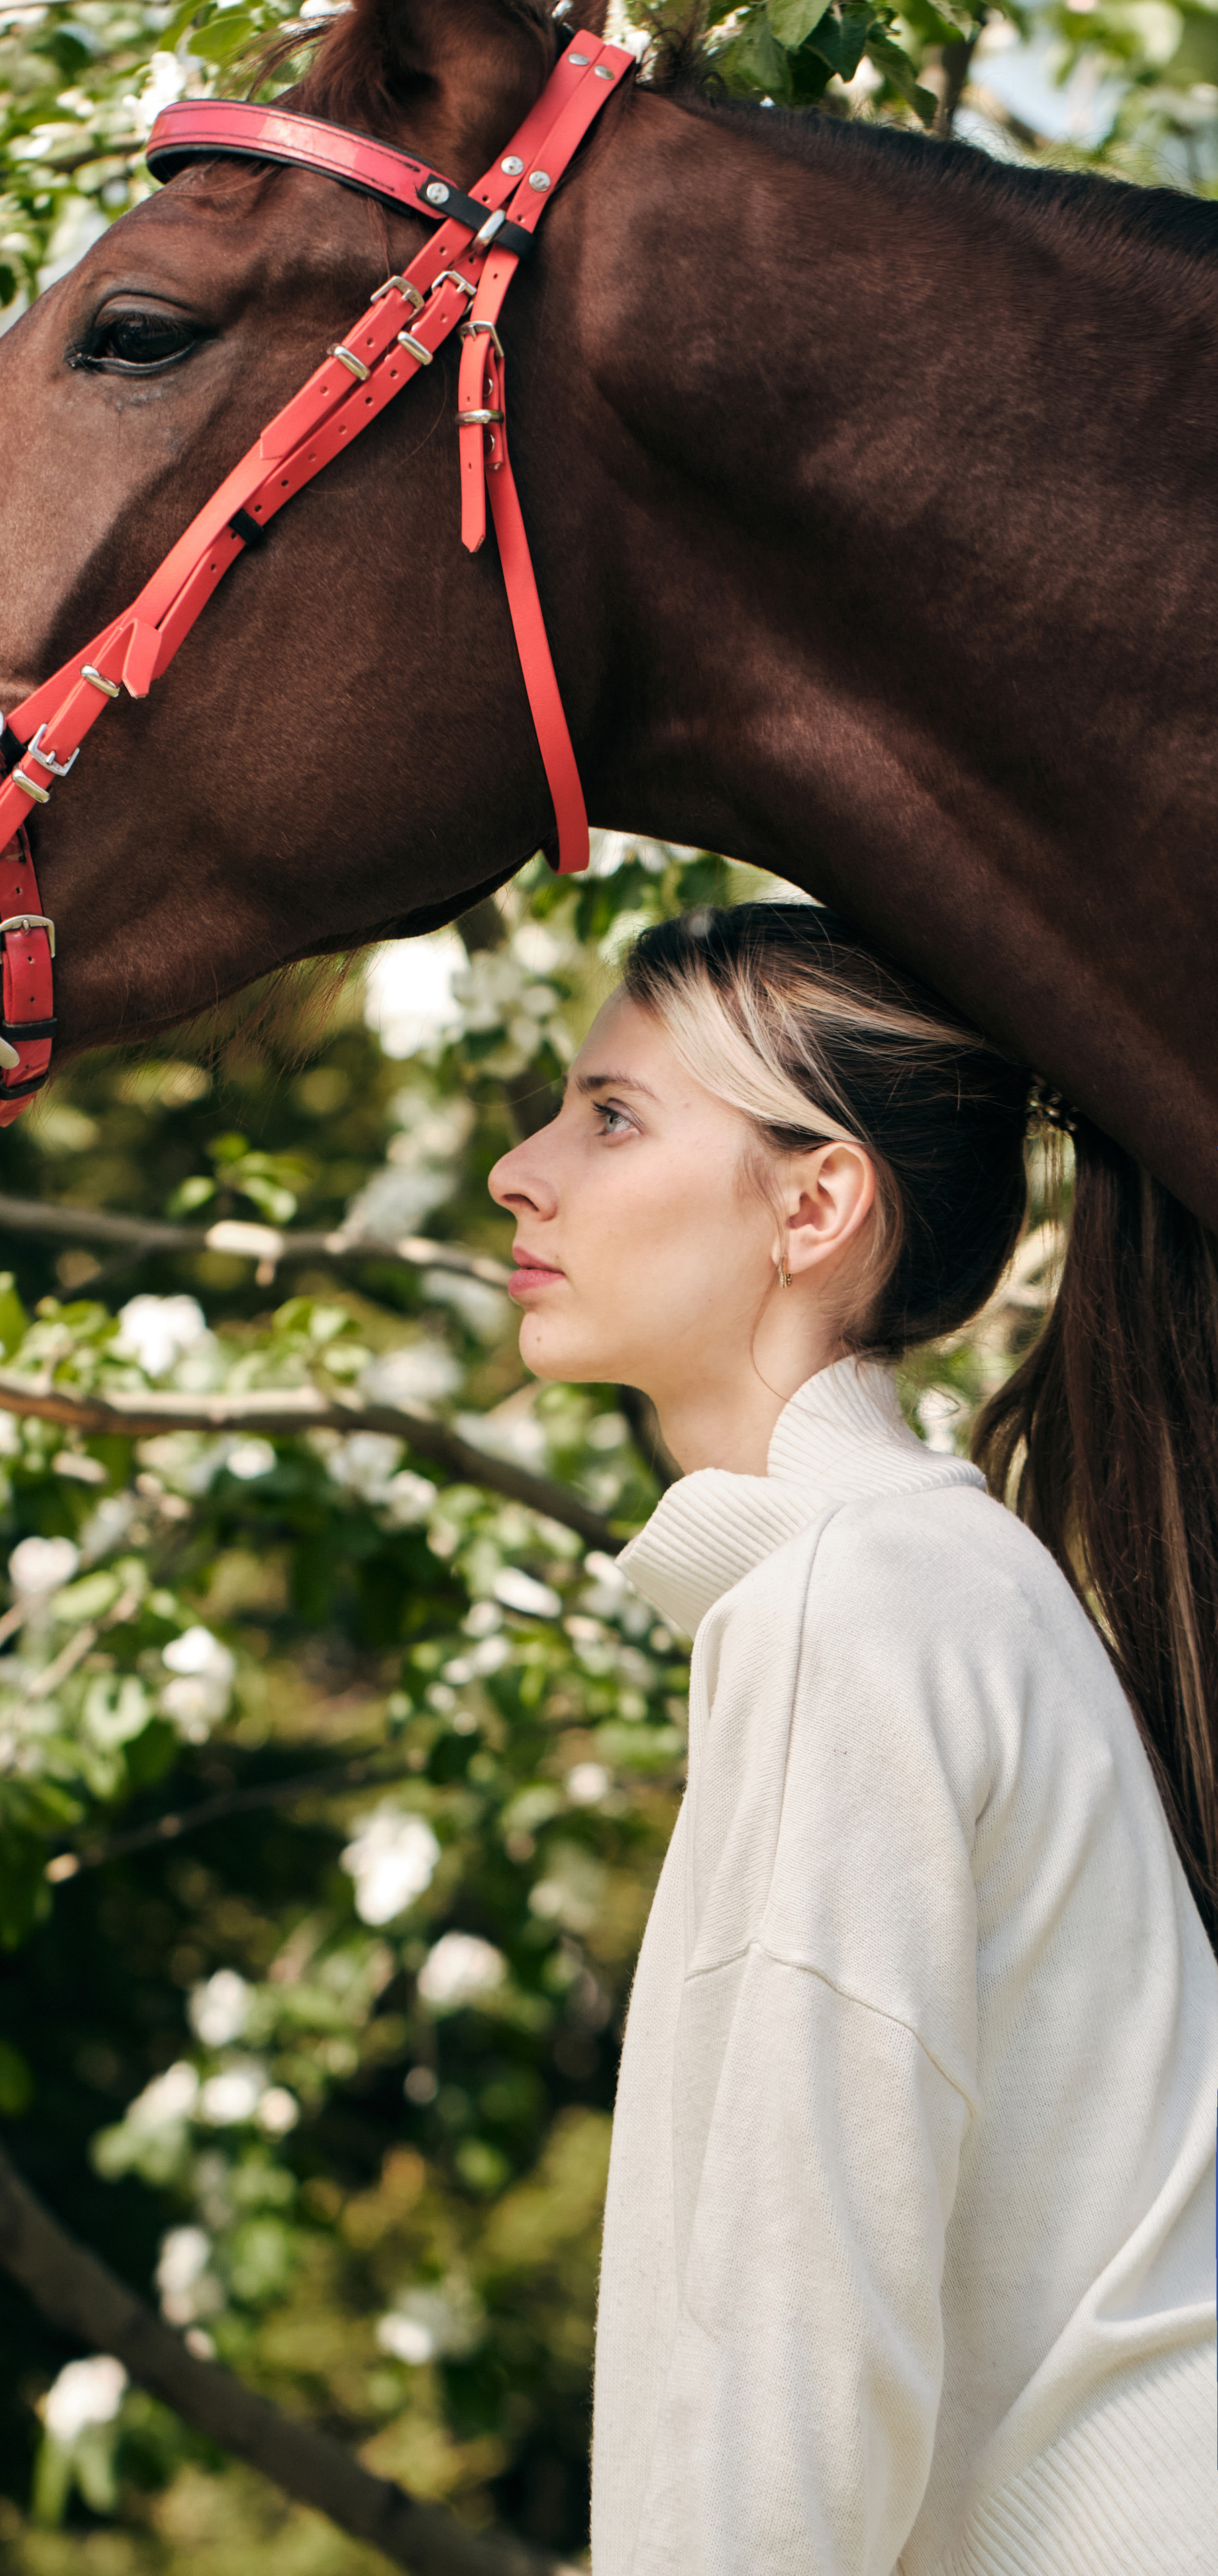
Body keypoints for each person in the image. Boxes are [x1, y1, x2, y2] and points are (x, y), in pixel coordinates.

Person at [489, 902, 1217, 2576]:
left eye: (611, 1117)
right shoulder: (928, 1579)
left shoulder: (855, 1606)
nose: (518, 1173)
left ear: (812, 1206)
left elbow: (790, 2366)